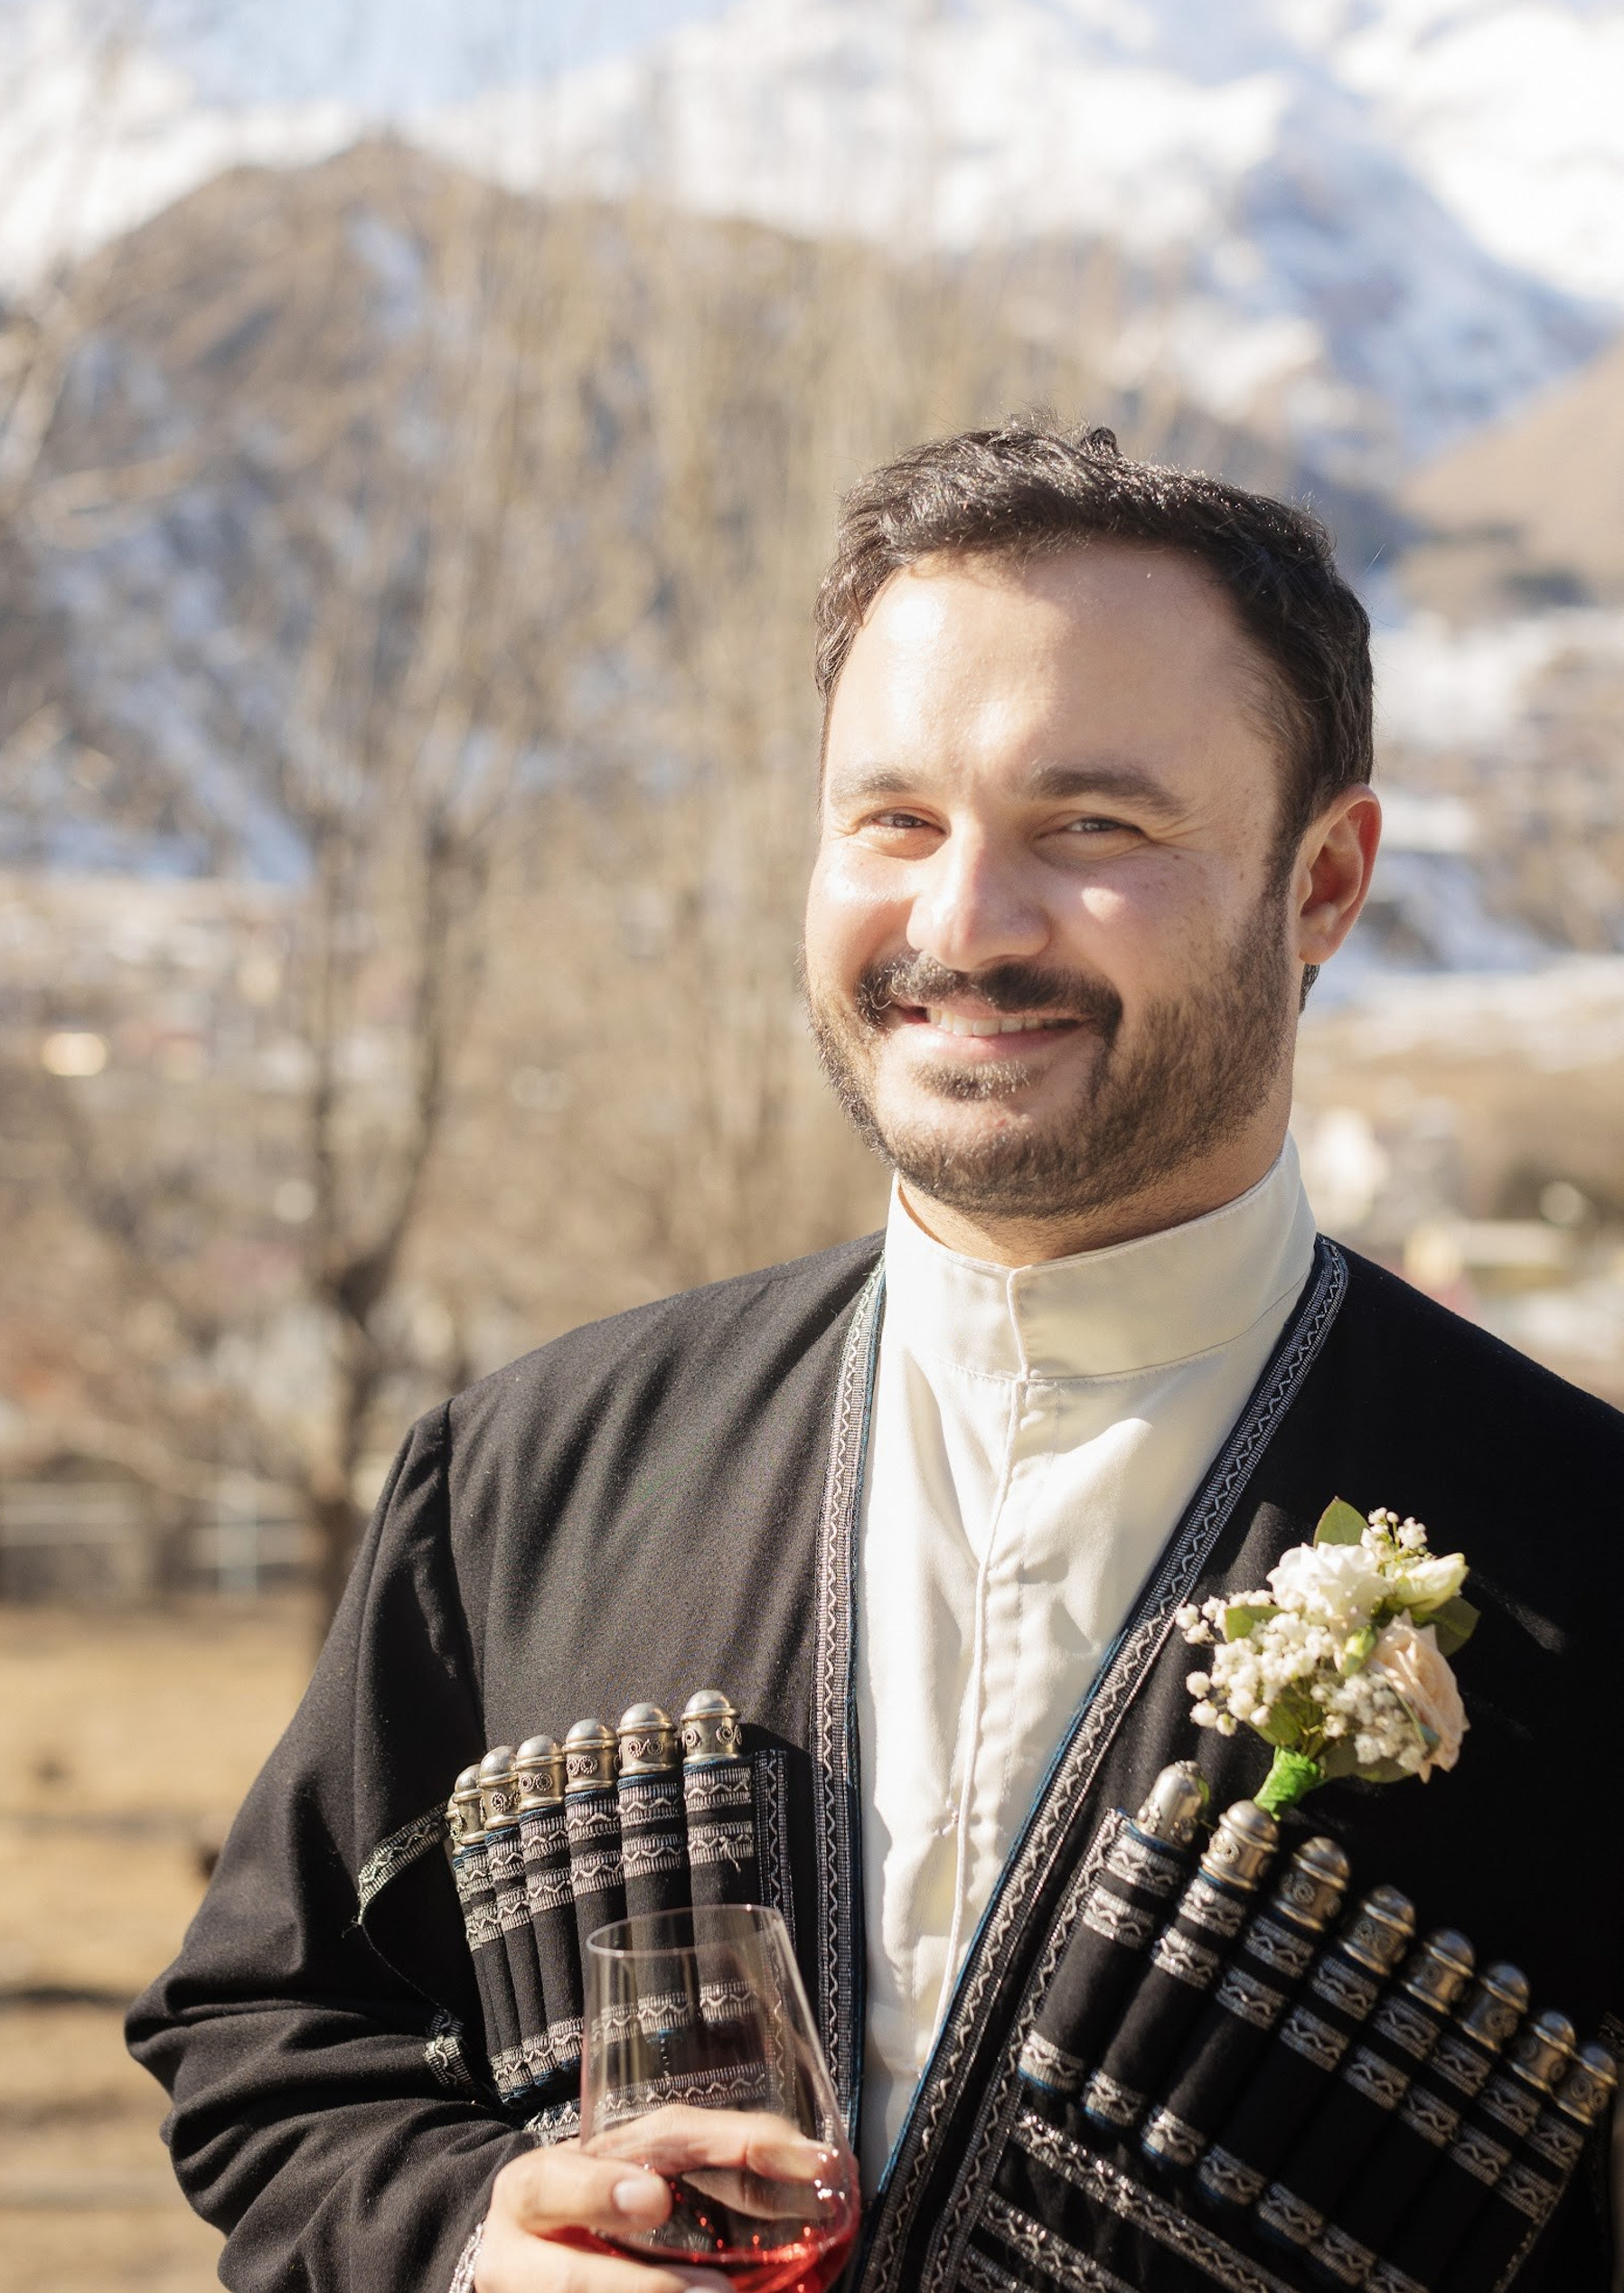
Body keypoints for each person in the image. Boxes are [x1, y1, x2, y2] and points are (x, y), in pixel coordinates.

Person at [129, 421, 1624, 2293]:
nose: (962, 924)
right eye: (895, 820)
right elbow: (276, 2045)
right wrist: (465, 2246)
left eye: (1093, 828)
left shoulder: (1589, 1544)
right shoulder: (527, 1473)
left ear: (1324, 883)